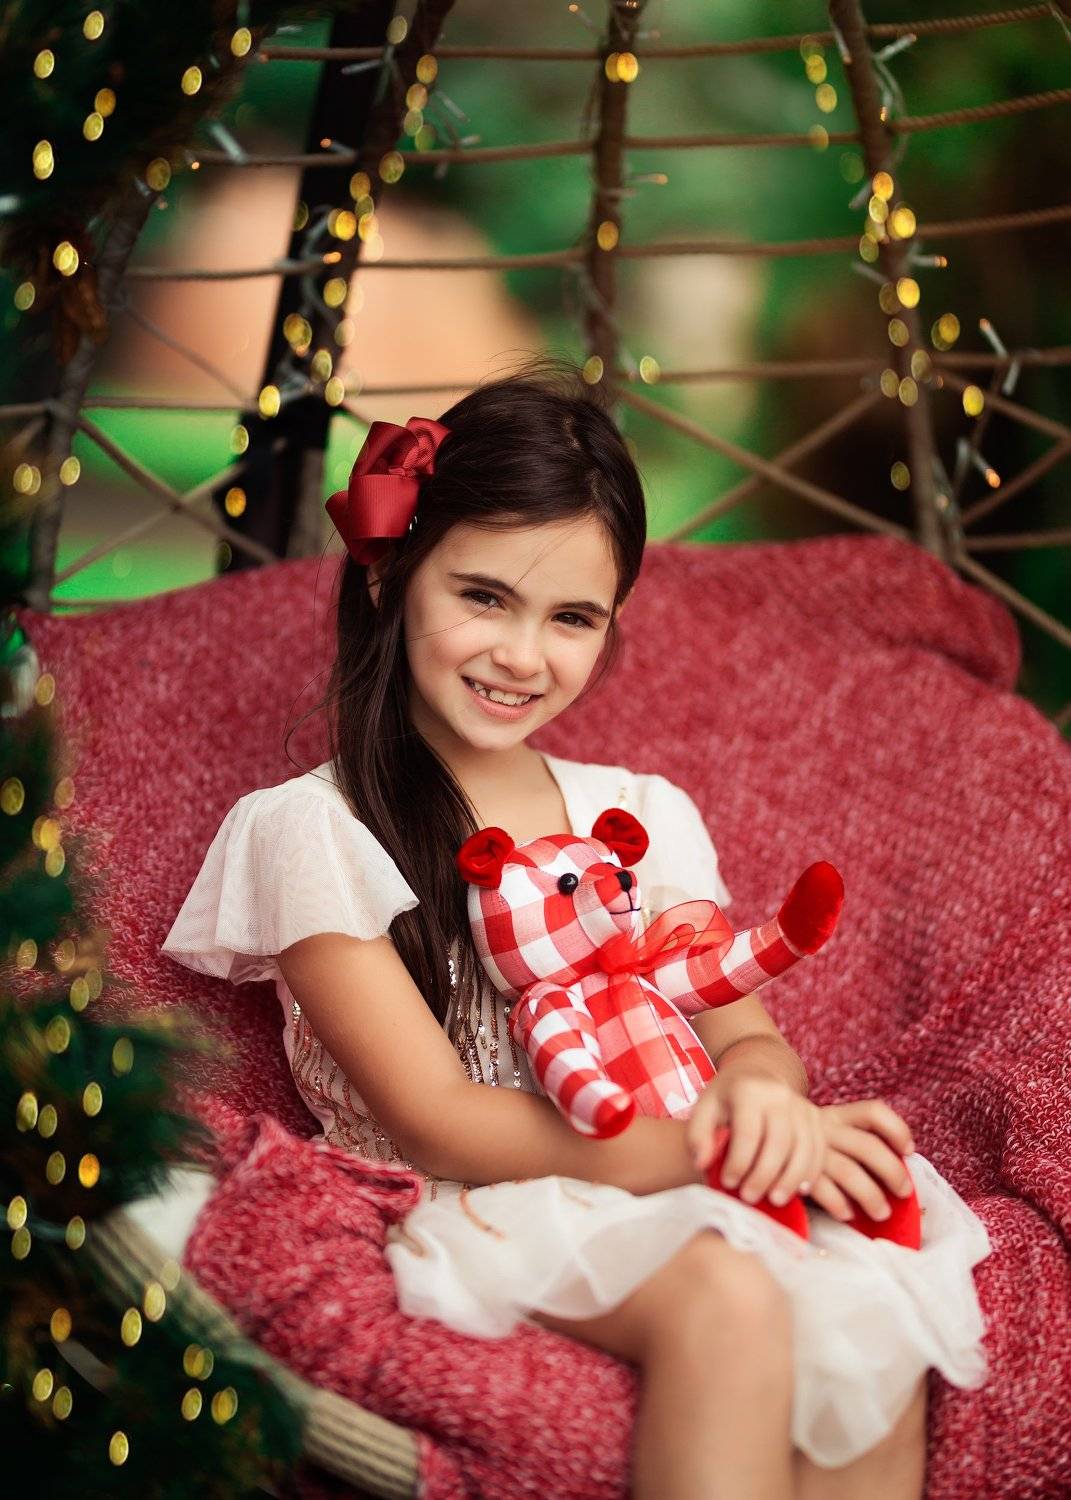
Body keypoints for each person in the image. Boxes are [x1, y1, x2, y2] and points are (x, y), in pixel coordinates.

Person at [162, 355, 992, 1500]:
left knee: (868, 1293)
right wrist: (704, 1152)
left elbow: (741, 1031)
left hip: (671, 1167)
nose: (522, 655)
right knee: (729, 1292)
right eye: (483, 597)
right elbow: (441, 1121)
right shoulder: (311, 830)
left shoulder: (640, 813)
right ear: (390, 575)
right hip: (482, 1199)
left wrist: (763, 1101)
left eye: (571, 618)